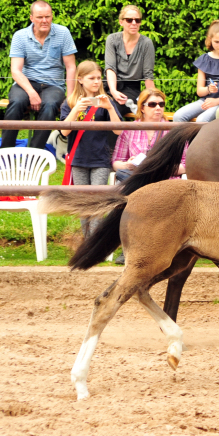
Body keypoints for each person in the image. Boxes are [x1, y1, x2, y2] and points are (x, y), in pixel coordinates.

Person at [111, 88, 187, 265]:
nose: (158, 108)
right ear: (142, 108)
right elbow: (116, 162)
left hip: (165, 180)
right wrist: (127, 164)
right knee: (127, 200)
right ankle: (127, 249)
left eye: (161, 104)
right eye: (153, 104)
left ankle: (161, 252)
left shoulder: (174, 132)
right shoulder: (129, 130)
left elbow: (185, 164)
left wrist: (163, 168)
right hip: (137, 179)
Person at [1, 0, 77, 150]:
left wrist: (70, 96)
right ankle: (5, 152)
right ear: (31, 18)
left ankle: (36, 152)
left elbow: (71, 67)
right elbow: (16, 70)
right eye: (40, 17)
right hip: (26, 83)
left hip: (53, 85)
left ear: (52, 16)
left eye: (47, 17)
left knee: (49, 105)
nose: (44, 21)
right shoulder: (20, 36)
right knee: (16, 102)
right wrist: (31, 92)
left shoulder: (63, 33)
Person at [60, 61, 122, 237]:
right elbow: (64, 131)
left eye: (99, 78)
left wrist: (109, 108)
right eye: (91, 78)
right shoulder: (70, 102)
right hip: (78, 159)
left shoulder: (105, 102)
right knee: (82, 202)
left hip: (100, 160)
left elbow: (118, 130)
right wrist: (76, 110)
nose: (96, 82)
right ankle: (87, 240)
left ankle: (95, 239)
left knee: (97, 200)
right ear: (80, 79)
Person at [173, 20, 219, 122]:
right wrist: (208, 90)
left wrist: (217, 101)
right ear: (210, 39)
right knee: (178, 116)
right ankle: (187, 139)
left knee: (201, 120)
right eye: (216, 42)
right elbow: (200, 91)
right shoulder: (205, 59)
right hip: (206, 101)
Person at [104, 5, 155, 118]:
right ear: (121, 22)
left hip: (132, 89)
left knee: (112, 110)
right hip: (110, 86)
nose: (134, 23)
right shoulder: (112, 39)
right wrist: (113, 91)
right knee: (95, 109)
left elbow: (148, 75)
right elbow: (110, 68)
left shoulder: (146, 43)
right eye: (129, 20)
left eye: (137, 20)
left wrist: (153, 100)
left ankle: (117, 136)